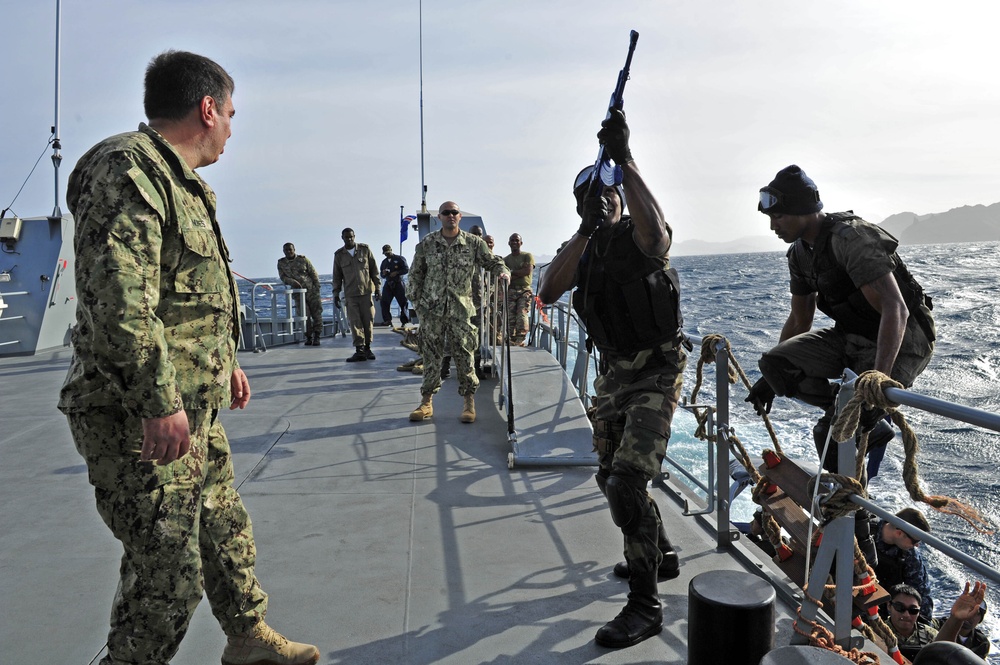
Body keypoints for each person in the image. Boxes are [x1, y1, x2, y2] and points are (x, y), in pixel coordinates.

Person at [57, 50, 319, 665]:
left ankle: (248, 636)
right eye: (230, 112)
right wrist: (158, 401)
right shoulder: (129, 172)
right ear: (207, 109)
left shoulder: (186, 185)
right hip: (137, 415)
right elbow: (120, 302)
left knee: (223, 528)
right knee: (168, 568)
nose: (231, 125)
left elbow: (189, 291)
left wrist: (223, 359)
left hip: (190, 405)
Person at [537, 109, 686, 649]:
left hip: (656, 372)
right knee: (609, 477)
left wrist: (625, 160)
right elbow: (549, 290)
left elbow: (659, 235)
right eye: (587, 199)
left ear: (620, 197)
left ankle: (645, 606)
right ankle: (662, 552)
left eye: (605, 196)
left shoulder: (637, 236)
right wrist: (584, 228)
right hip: (614, 377)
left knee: (626, 481)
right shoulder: (585, 246)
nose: (598, 204)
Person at [406, 201, 510, 423]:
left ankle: (468, 404)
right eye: (446, 213)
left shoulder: (472, 243)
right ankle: (426, 403)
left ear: (460, 217)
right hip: (432, 311)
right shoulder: (427, 243)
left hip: (461, 311)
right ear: (440, 217)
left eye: (454, 212)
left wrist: (503, 272)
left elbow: (492, 261)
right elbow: (415, 275)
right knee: (431, 357)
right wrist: (418, 306)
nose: (450, 216)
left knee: (465, 356)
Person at [889, 581, 987, 663]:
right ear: (889, 606)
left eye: (913, 610)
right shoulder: (877, 629)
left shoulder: (930, 634)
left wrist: (956, 618)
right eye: (900, 607)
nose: (906, 614)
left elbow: (943, 652)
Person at [875, 508, 934, 619]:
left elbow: (921, 594)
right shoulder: (861, 533)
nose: (917, 546)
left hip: (881, 614)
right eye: (915, 541)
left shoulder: (909, 555)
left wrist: (923, 627)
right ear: (899, 533)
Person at [332, 228, 380, 362]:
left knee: (368, 320)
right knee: (354, 322)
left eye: (351, 237)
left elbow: (374, 270)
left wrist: (378, 288)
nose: (349, 239)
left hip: (366, 292)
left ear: (354, 236)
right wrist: (336, 293)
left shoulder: (365, 250)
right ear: (342, 238)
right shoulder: (339, 255)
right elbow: (337, 276)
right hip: (351, 294)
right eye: (346, 237)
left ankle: (368, 348)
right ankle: (359, 350)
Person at [277, 242, 324, 345]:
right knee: (304, 315)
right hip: (298, 293)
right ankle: (308, 337)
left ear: (294, 250)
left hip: (311, 291)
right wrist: (291, 281)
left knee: (316, 314)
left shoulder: (303, 259)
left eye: (290, 249)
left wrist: (317, 288)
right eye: (286, 250)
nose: (288, 252)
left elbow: (313, 273)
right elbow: (283, 277)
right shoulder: (281, 263)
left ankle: (317, 336)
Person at [503, 233, 535, 346]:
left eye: (517, 240)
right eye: (512, 240)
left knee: (522, 313)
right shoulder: (506, 260)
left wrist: (511, 273)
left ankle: (520, 339)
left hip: (524, 290)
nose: (514, 242)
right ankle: (511, 340)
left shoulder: (527, 256)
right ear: (509, 243)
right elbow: (505, 275)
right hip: (511, 290)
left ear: (521, 243)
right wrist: (518, 273)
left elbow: (527, 271)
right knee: (510, 316)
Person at [379, 244, 410, 327]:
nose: (387, 254)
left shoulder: (399, 259)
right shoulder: (384, 262)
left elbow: (406, 269)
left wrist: (397, 272)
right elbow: (382, 275)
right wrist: (384, 273)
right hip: (388, 283)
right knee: (384, 302)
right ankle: (387, 320)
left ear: (391, 250)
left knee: (403, 302)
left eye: (388, 252)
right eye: (385, 253)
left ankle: (404, 321)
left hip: (398, 282)